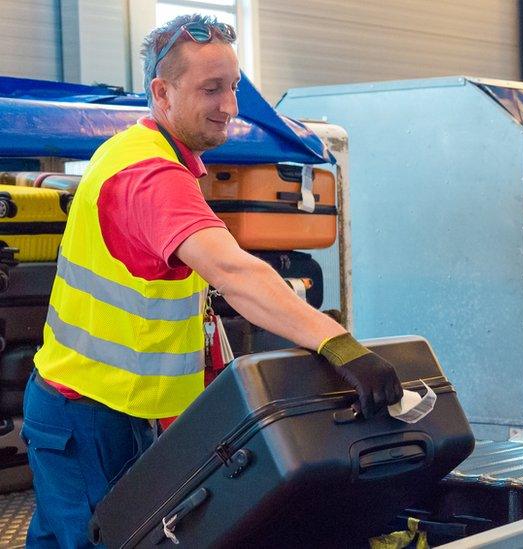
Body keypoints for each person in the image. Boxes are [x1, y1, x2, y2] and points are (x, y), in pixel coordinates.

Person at [21, 14, 403, 547]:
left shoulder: (149, 155)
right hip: (86, 415)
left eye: (234, 87)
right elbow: (234, 270)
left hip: (115, 410)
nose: (230, 106)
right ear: (162, 92)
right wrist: (339, 347)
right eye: (211, 89)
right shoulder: (149, 177)